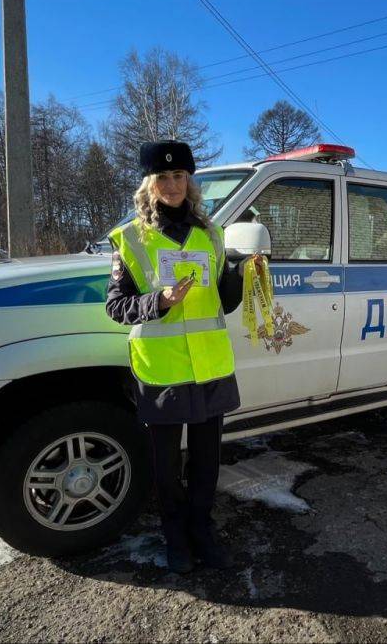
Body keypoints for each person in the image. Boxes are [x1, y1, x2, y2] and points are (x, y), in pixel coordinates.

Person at [105, 139, 265, 574]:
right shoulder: (131, 239)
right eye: (163, 177)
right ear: (149, 183)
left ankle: (202, 529)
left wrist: (241, 272)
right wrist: (159, 302)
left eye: (180, 176)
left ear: (189, 180)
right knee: (166, 464)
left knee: (207, 462)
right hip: (163, 370)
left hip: (211, 365)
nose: (173, 185)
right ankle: (175, 535)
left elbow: (222, 303)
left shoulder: (211, 233)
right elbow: (116, 307)